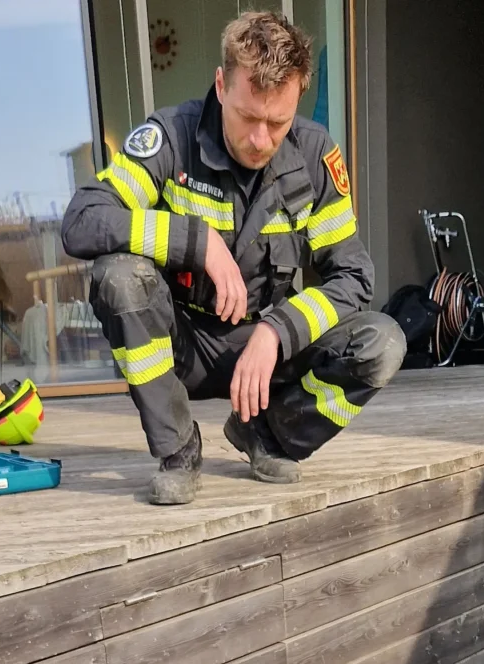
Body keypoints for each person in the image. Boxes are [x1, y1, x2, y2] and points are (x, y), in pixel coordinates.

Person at [61, 11, 406, 506]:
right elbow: (83, 220)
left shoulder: (315, 156)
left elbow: (353, 277)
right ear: (221, 86)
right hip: (183, 344)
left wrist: (278, 331)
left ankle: (267, 434)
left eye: (277, 122)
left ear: (298, 98)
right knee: (119, 278)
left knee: (382, 343)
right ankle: (178, 449)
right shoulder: (170, 138)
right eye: (248, 117)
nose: (261, 139)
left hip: (267, 352)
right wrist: (193, 241)